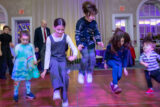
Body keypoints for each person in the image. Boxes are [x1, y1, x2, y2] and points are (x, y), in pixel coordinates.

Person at [41, 18, 78, 107]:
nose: (60, 32)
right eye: (58, 29)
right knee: (55, 69)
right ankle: (56, 90)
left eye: (62, 29)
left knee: (65, 78)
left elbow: (74, 48)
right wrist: (45, 69)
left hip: (62, 59)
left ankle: (64, 99)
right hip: (53, 59)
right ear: (54, 27)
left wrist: (74, 56)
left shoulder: (66, 37)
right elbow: (47, 53)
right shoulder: (49, 39)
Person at [75, 1, 104, 84]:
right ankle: (81, 73)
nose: (93, 17)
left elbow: (96, 33)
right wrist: (78, 44)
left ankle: (89, 73)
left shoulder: (94, 23)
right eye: (92, 15)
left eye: (94, 15)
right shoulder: (80, 22)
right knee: (85, 57)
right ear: (86, 14)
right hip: (83, 44)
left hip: (91, 44)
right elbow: (77, 34)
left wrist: (99, 41)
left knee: (92, 59)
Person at [12, 30, 39, 102]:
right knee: (17, 80)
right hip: (19, 66)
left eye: (27, 40)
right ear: (20, 38)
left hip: (28, 66)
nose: (25, 41)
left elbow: (33, 54)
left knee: (28, 79)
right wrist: (12, 49)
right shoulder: (17, 46)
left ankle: (28, 92)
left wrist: (35, 60)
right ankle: (15, 93)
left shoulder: (31, 46)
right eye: (23, 40)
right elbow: (14, 55)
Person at [104, 28, 129, 94]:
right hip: (111, 60)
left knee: (119, 76)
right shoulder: (110, 46)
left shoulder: (124, 47)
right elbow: (106, 54)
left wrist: (125, 68)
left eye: (123, 41)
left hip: (119, 62)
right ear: (116, 40)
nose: (121, 43)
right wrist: (105, 63)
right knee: (115, 67)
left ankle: (112, 83)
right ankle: (115, 85)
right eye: (120, 41)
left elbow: (125, 58)